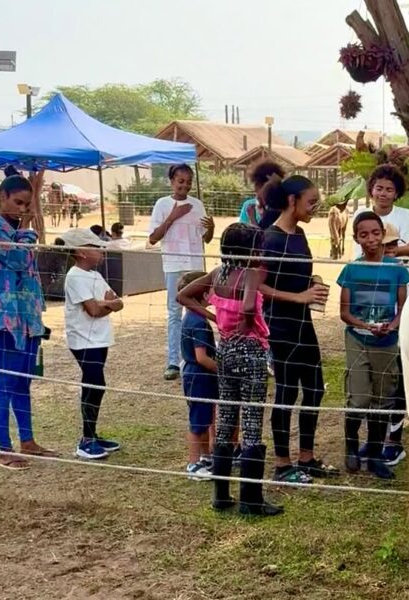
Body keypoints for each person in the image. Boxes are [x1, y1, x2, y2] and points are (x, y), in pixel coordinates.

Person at [178, 223, 283, 516]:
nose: (261, 253)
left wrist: (214, 317)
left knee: (225, 417)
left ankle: (221, 494)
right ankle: (251, 499)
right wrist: (248, 327)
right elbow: (249, 306)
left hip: (225, 350)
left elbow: (183, 296)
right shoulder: (249, 274)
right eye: (258, 248)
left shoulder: (217, 274)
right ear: (248, 251)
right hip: (250, 352)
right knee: (251, 420)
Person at [259, 174, 338, 484]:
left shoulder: (300, 234)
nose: (315, 207)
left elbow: (296, 275)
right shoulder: (270, 238)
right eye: (311, 201)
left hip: (303, 323)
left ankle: (306, 457)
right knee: (287, 392)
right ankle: (282, 464)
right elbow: (259, 286)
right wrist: (298, 297)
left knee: (315, 389)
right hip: (280, 325)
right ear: (292, 201)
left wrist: (313, 283)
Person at [0, 175, 57, 470]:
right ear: (2, 197)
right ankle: (4, 449)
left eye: (27, 204)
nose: (23, 209)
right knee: (5, 381)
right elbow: (19, 260)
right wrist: (27, 228)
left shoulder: (16, 230)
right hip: (5, 316)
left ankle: (28, 440)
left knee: (23, 380)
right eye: (18, 202)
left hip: (27, 315)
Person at [355, 164, 409, 466]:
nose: (383, 193)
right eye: (379, 188)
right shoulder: (362, 216)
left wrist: (391, 252)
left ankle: (394, 440)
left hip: (399, 299)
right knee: (371, 373)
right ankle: (374, 438)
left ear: (397, 193)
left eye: (389, 189)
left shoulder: (404, 216)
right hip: (369, 300)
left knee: (397, 370)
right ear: (371, 189)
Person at [339, 214, 409, 479]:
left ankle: (376, 454)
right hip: (358, 338)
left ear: (383, 234)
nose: (371, 239)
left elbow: (403, 307)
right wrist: (366, 326)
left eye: (376, 233)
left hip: (387, 341)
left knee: (383, 398)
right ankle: (351, 446)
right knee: (359, 398)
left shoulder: (397, 269)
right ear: (356, 238)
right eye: (364, 234)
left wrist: (391, 326)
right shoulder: (351, 270)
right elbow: (345, 313)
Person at [60, 228, 124, 460]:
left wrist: (106, 304)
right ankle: (86, 440)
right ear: (81, 252)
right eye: (96, 248)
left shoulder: (96, 275)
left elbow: (118, 302)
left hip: (100, 338)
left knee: (95, 384)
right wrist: (106, 304)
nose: (102, 251)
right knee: (95, 383)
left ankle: (92, 434)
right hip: (83, 340)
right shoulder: (75, 276)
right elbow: (94, 310)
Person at [148, 164, 215, 381]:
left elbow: (206, 238)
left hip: (195, 264)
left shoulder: (197, 205)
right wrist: (173, 216)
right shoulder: (162, 204)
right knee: (174, 312)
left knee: (197, 310)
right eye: (180, 181)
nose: (184, 185)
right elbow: (153, 238)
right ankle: (173, 361)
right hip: (173, 265)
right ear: (172, 181)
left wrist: (211, 228)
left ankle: (197, 356)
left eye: (188, 182)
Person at [177, 270, 217, 479]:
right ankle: (193, 464)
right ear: (202, 294)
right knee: (198, 421)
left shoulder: (191, 317)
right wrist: (222, 371)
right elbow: (201, 357)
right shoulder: (199, 322)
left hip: (197, 375)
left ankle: (205, 456)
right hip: (199, 375)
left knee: (204, 416)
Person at [243, 159, 286, 230]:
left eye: (256, 185)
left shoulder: (273, 211)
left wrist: (252, 217)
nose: (255, 191)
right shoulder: (279, 207)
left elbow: (261, 234)